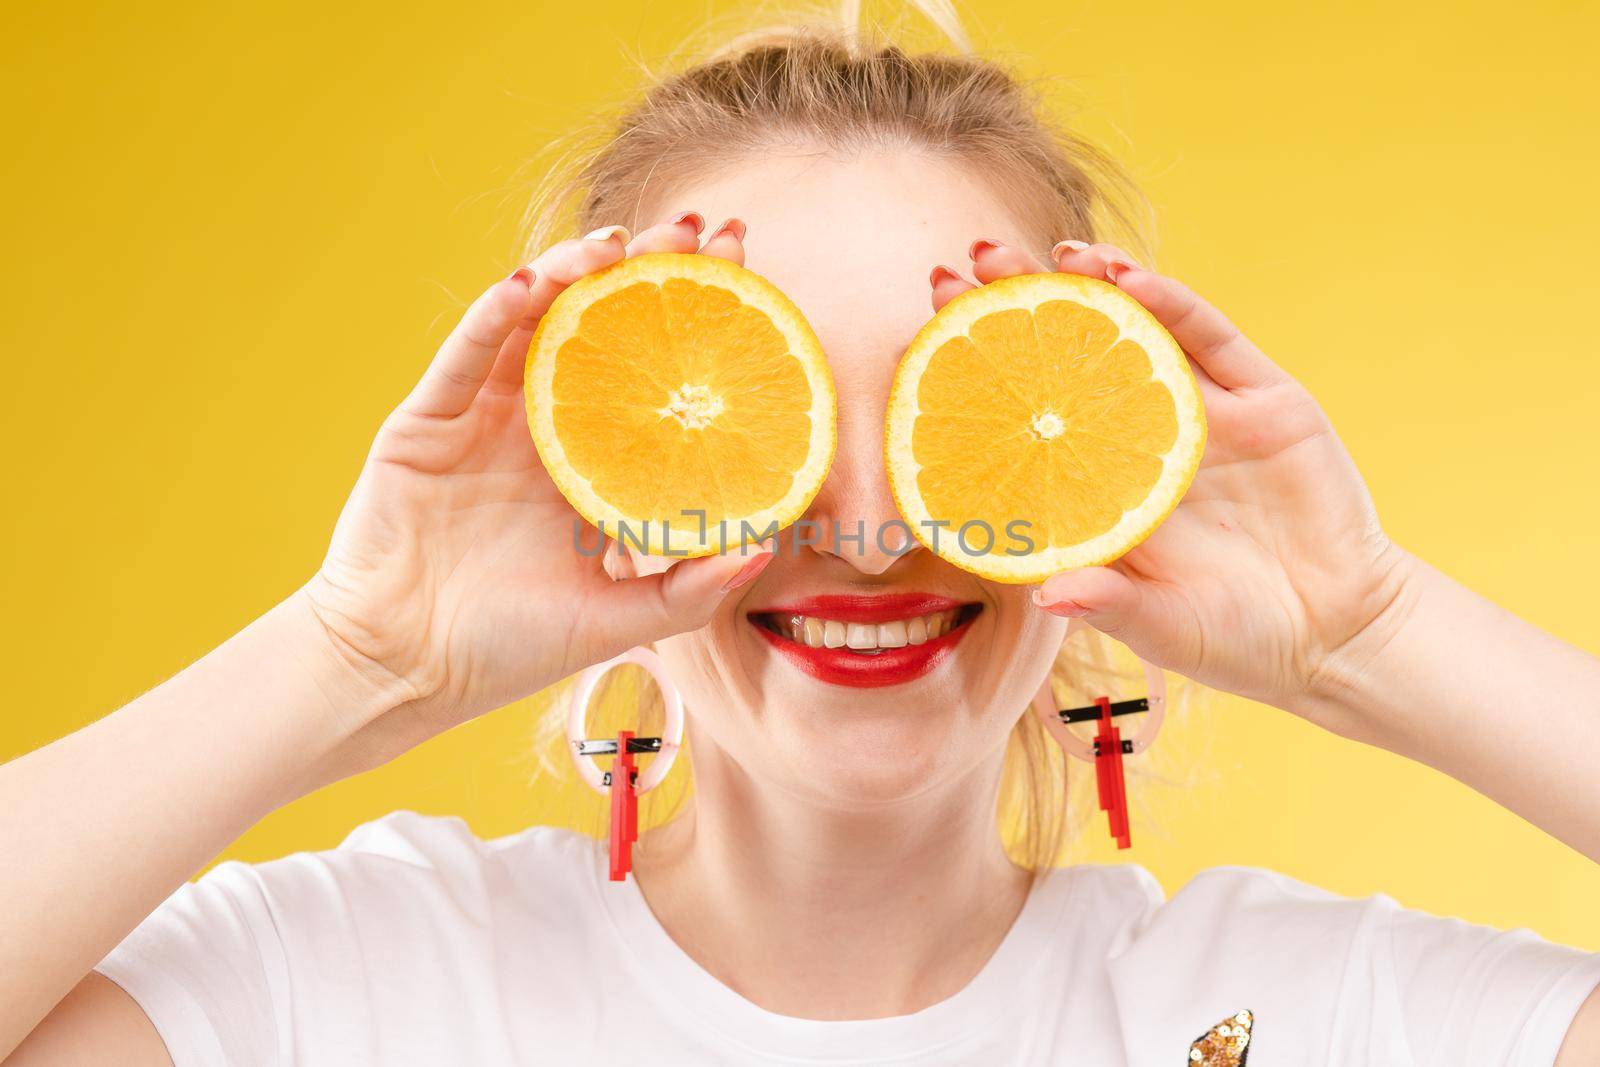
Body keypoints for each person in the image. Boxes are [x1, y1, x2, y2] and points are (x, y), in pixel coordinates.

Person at [4, 4, 1599, 1065]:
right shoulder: (349, 986)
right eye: (770, 422)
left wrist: (1371, 632)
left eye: (945, 408)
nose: (867, 520)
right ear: (597, 457)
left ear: (1103, 454)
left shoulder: (1320, 1015)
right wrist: (354, 654)